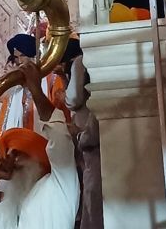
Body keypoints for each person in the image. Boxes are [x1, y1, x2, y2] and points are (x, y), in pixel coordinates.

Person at [0, 62, 80, 229]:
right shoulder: (10, 202)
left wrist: (36, 90)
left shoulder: (60, 183)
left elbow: (59, 133)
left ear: (40, 158)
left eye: (19, 153)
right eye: (10, 154)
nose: (12, 158)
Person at [0, 34, 69, 145]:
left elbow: (60, 114)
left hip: (45, 147)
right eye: (16, 57)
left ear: (34, 56)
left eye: (22, 55)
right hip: (17, 151)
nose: (19, 61)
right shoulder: (15, 88)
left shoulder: (52, 79)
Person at [61, 38, 104, 229]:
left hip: (88, 135)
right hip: (86, 136)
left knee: (93, 192)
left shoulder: (78, 62)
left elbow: (74, 98)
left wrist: (63, 96)